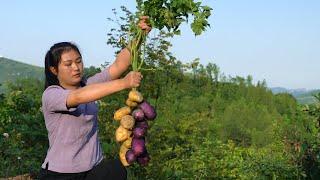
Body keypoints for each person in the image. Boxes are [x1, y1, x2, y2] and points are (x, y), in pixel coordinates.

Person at [38, 17, 151, 180]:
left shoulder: (88, 85)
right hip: (60, 174)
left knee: (116, 170)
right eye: (68, 64)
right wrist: (124, 83)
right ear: (54, 70)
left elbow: (118, 66)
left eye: (78, 61)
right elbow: (77, 97)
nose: (76, 67)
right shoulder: (51, 94)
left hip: (93, 169)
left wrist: (140, 36)